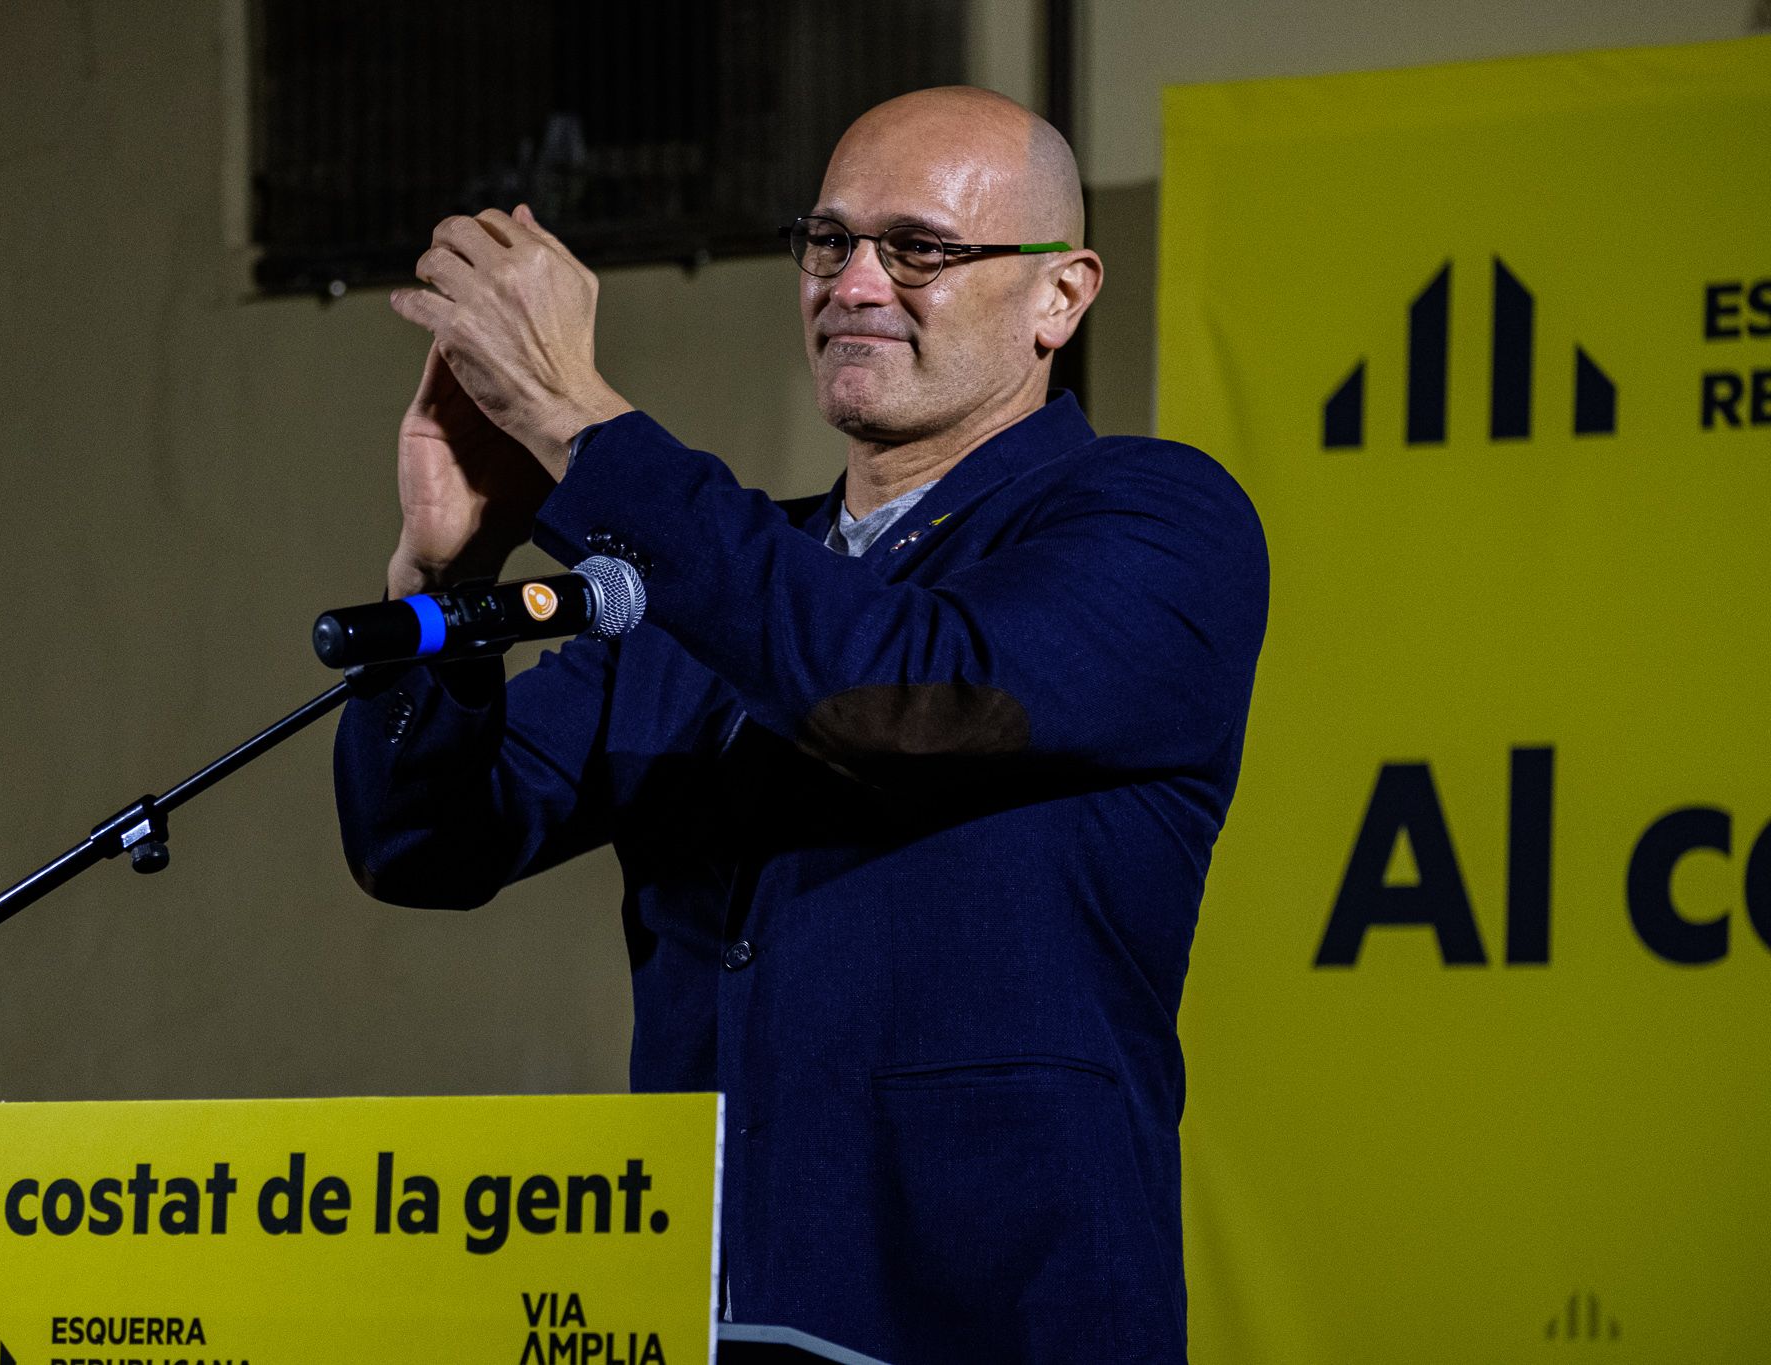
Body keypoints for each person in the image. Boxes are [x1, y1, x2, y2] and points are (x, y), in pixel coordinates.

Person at [334, 86, 1267, 1364]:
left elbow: (898, 696)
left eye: (919, 249)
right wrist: (441, 581)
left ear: (1061, 294)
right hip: (699, 1309)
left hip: (988, 1315)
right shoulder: (700, 585)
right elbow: (421, 843)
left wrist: (572, 416)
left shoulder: (1155, 521)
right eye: (827, 242)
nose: (854, 283)